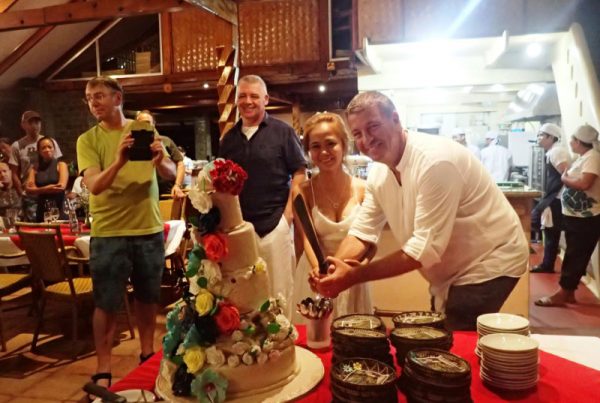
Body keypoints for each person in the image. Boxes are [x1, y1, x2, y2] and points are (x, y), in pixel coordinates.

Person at [312, 91, 528, 331]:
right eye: (357, 134)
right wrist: (331, 270)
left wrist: (354, 275)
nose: (366, 139)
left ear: (395, 119)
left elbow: (424, 250)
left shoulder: (434, 162)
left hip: (491, 258)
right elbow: (363, 231)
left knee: (455, 330)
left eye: (373, 126)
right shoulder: (379, 173)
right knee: (441, 330)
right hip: (452, 268)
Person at [76, 76, 176, 393]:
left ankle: (146, 355)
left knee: (147, 298)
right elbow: (94, 185)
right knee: (106, 303)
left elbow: (171, 173)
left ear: (118, 98)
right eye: (89, 97)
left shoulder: (144, 129)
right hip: (109, 232)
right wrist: (119, 161)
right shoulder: (87, 140)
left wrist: (160, 162)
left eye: (99, 95)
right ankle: (103, 368)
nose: (93, 102)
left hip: (148, 228)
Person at [218, 75, 307, 317]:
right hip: (240, 229)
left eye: (254, 96)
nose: (248, 101)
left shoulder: (283, 132)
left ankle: (284, 338)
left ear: (265, 99)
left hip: (275, 224)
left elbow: (300, 173)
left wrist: (287, 217)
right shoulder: (229, 139)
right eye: (242, 96)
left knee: (280, 292)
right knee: (245, 295)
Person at [291, 112, 372, 324]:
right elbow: (306, 238)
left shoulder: (364, 189)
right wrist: (320, 271)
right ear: (309, 151)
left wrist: (360, 268)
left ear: (344, 145)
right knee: (315, 338)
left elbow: (370, 240)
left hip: (352, 279)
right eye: (315, 146)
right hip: (315, 275)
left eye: (330, 143)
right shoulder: (303, 191)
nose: (324, 152)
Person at [535, 125, 600, 307]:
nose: (569, 142)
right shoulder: (584, 157)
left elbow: (585, 184)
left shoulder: (593, 158)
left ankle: (563, 293)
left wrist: (565, 179)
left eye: (572, 139)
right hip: (575, 216)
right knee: (574, 253)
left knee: (575, 255)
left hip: (586, 218)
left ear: (579, 142)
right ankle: (568, 292)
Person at [530, 123, 571, 273]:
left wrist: (551, 197)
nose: (538, 138)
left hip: (557, 198)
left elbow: (566, 175)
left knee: (550, 231)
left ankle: (548, 265)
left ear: (551, 137)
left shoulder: (557, 152)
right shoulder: (552, 152)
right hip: (553, 197)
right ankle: (547, 264)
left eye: (541, 135)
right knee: (549, 231)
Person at [9, 111, 62, 221]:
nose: (34, 126)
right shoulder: (17, 146)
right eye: (31, 123)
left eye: (37, 122)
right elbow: (14, 173)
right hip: (31, 194)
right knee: (34, 225)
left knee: (53, 222)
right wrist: (21, 193)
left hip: (49, 191)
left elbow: (58, 165)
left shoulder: (49, 142)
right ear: (23, 125)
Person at [135, 110, 186, 199]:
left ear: (153, 124)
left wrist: (177, 185)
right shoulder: (133, 145)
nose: (144, 126)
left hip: (167, 192)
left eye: (147, 122)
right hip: (144, 194)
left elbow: (180, 164)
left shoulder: (165, 141)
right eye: (141, 123)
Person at [25, 136, 69, 222]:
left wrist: (38, 190)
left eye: (49, 147)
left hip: (59, 207)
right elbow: (28, 190)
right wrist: (47, 188)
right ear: (39, 151)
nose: (47, 149)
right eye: (43, 148)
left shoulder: (61, 165)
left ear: (54, 149)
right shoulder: (35, 168)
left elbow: (61, 187)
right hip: (42, 208)